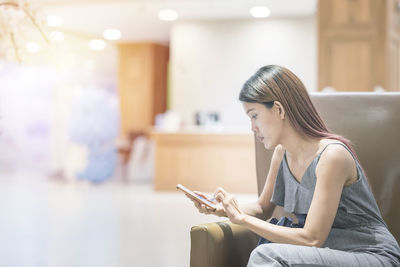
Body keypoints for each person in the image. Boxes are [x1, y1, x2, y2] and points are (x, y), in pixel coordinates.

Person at [185, 65, 400, 266]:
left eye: (254, 116)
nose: (253, 127)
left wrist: (241, 219)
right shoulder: (281, 154)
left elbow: (312, 238)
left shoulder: (332, 156)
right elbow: (262, 208)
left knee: (266, 254)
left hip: (368, 254)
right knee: (269, 251)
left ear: (278, 109)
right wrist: (225, 210)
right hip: (327, 252)